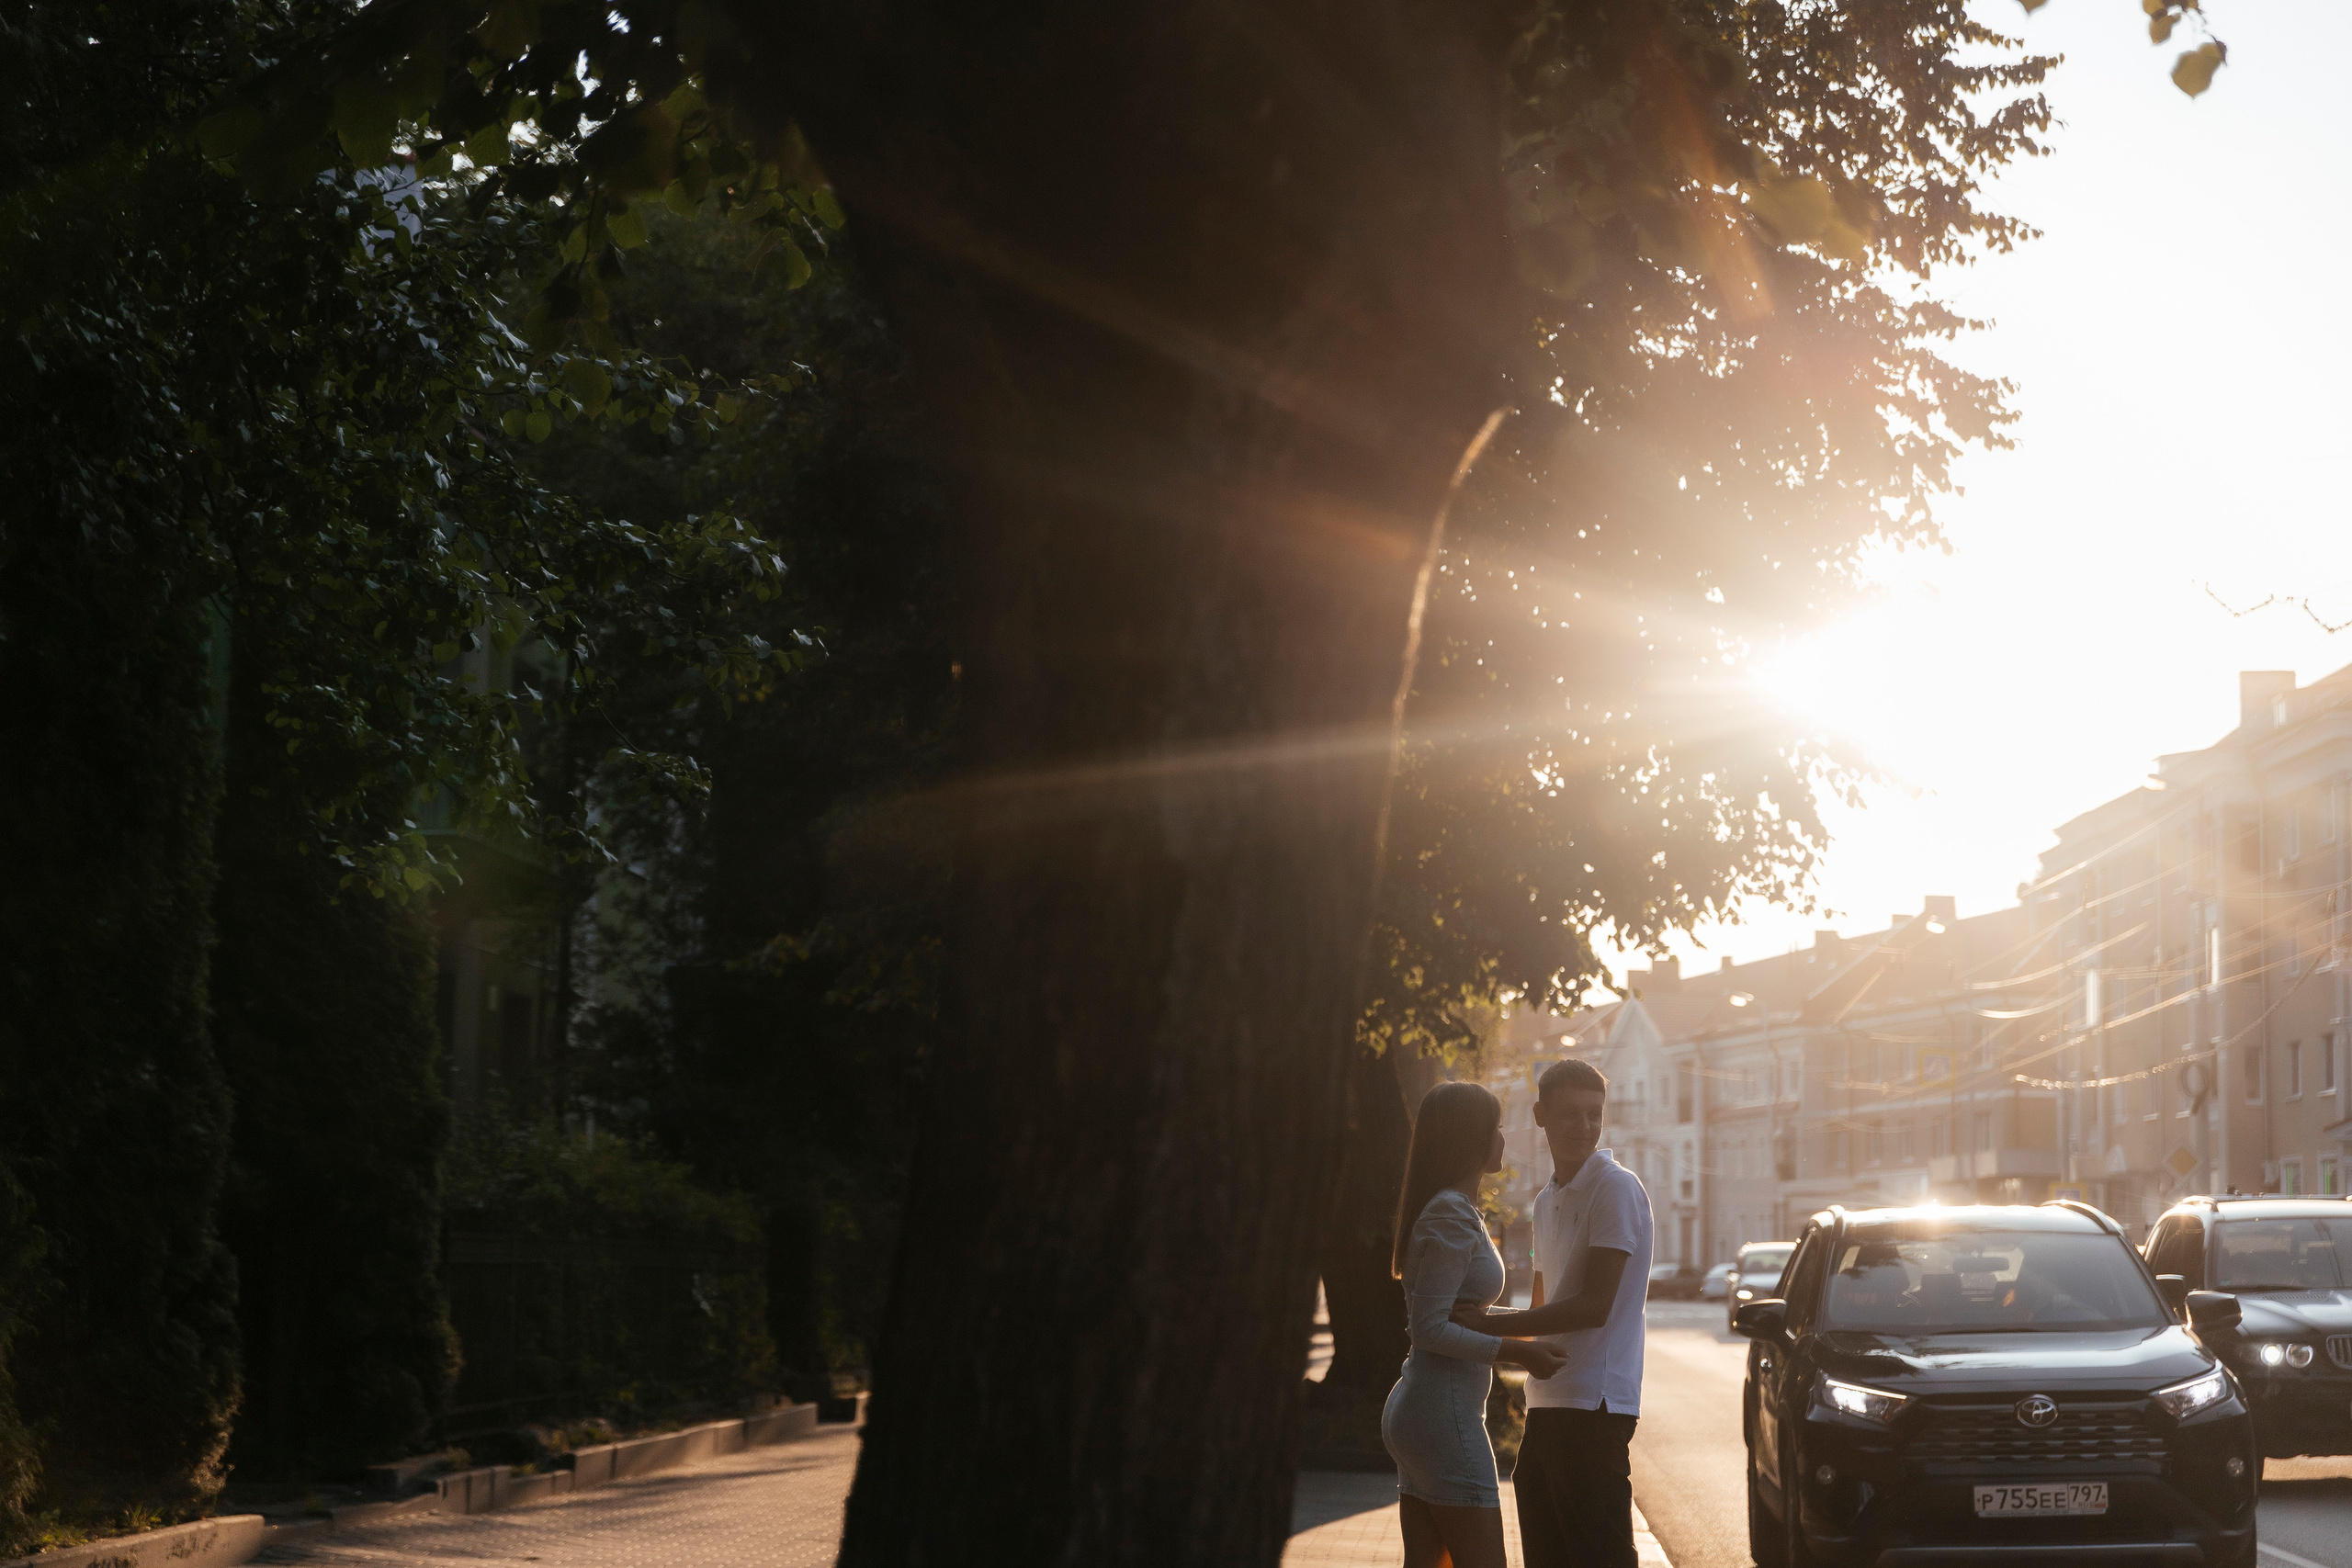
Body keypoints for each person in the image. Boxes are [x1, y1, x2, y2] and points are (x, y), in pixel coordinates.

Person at [1451, 1058, 1652, 1568]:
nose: (1583, 1127)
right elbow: (1546, 1304)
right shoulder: (1546, 1201)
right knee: (1547, 1552)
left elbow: (1593, 1306)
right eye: (1569, 1115)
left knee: (1600, 1554)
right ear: (1539, 1114)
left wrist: (1489, 1324)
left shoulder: (1615, 1187)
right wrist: (1486, 1333)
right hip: (1549, 1402)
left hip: (1597, 1403)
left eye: (1594, 1114)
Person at [1382, 1080, 1570, 1568]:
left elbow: (1464, 1315)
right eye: (1497, 1126)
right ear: (1471, 1138)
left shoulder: (1454, 1209)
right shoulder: (1448, 1214)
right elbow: (1430, 1329)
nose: (1503, 1138)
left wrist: (1532, 1324)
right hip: (1443, 1419)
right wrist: (1520, 1351)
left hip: (1426, 1410)